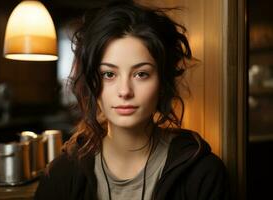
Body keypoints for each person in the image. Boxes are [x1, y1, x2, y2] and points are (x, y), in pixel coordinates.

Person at [34, 1, 229, 200]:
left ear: (162, 82)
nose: (125, 91)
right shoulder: (62, 174)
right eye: (109, 74)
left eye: (141, 74)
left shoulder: (202, 173)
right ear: (91, 82)